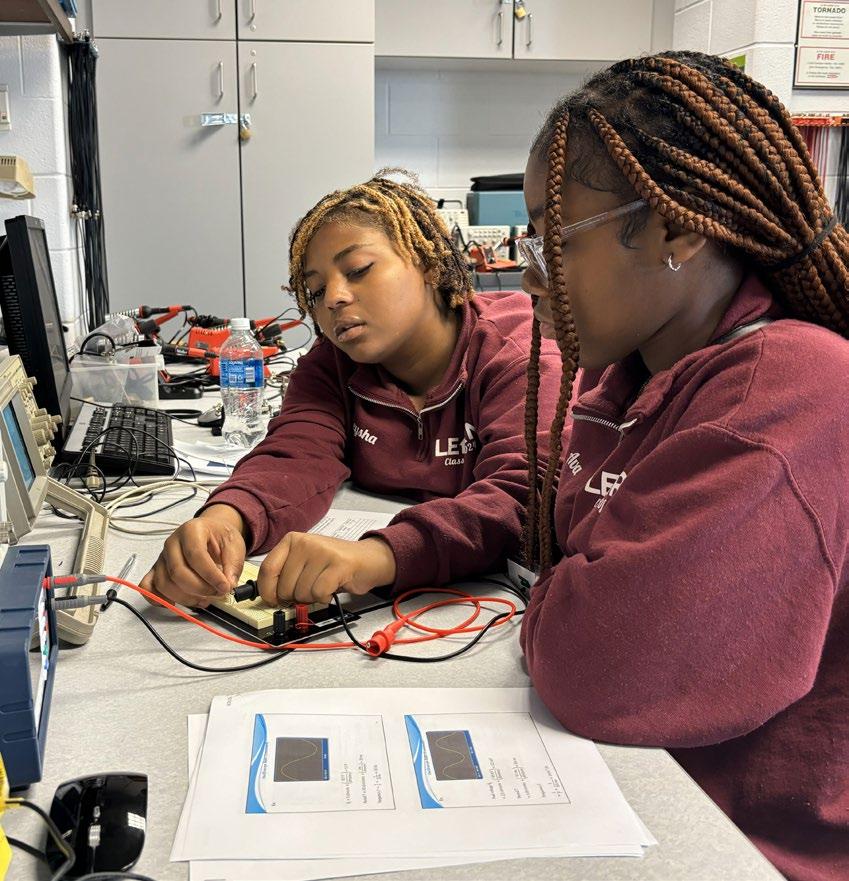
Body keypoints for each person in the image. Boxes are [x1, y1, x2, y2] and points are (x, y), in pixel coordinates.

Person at [518, 50, 849, 881]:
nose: (527, 270)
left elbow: (598, 664)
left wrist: (561, 602)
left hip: (753, 846)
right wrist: (570, 592)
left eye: (552, 238)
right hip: (650, 786)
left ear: (677, 228)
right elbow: (567, 565)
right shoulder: (629, 375)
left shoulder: (786, 390)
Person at [142, 170, 560, 608]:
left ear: (429, 263)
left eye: (358, 270)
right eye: (316, 290)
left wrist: (376, 558)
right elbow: (295, 454)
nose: (334, 298)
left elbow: (526, 495)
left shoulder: (520, 351)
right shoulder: (331, 366)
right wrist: (227, 519)